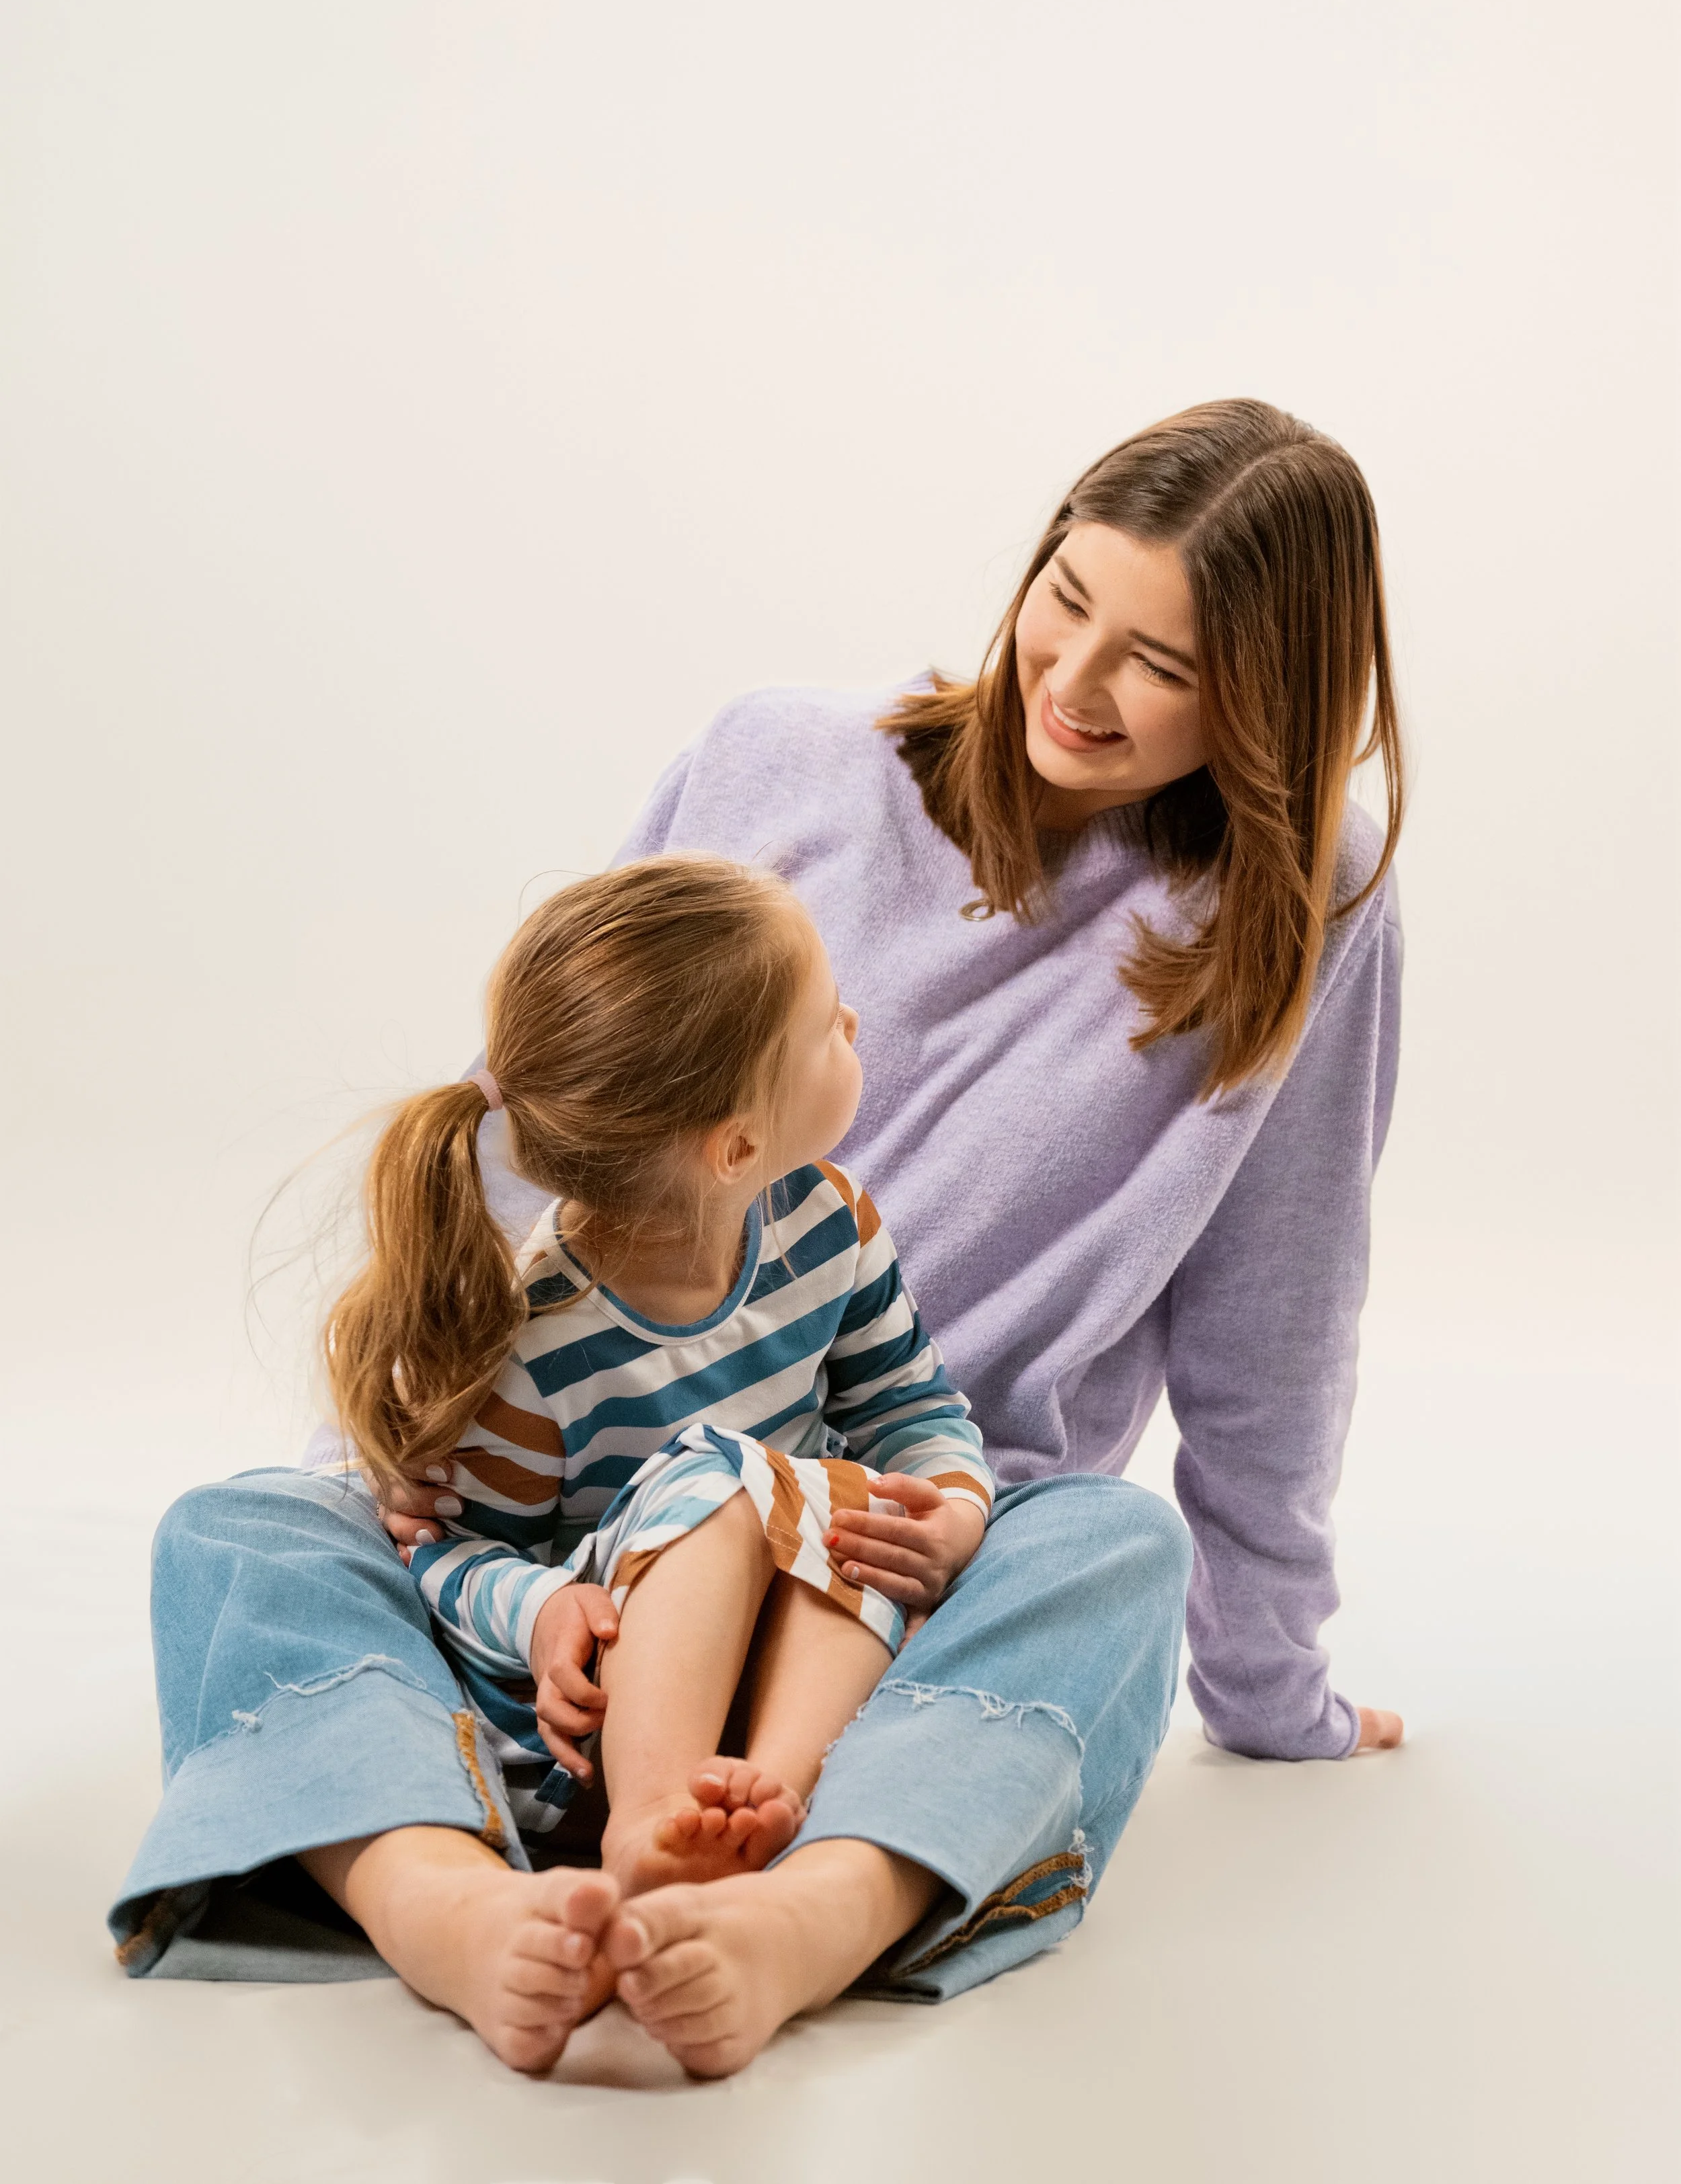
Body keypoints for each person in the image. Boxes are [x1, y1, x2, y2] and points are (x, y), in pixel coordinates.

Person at [114, 393, 1398, 2077]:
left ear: (1275, 694)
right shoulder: (779, 759)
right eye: (1064, 600)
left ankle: (809, 1906)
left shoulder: (1308, 897)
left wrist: (1267, 1684)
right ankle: (444, 1900)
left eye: (1160, 662)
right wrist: (400, 1443)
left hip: (874, 1585)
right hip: (560, 1561)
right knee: (241, 1534)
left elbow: (1273, 1325)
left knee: (1109, 1551)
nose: (1073, 683)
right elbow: (532, 1111)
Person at [318, 855, 994, 1996]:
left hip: (782, 1674)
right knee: (733, 1478)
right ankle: (654, 1819)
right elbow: (444, 1552)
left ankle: (765, 1807)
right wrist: (538, 1608)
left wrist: (958, 1509)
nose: (856, 1023)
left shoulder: (831, 1222)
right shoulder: (538, 1335)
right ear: (733, 1146)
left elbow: (911, 1406)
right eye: (829, 1026)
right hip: (598, 1718)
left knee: (851, 1498)